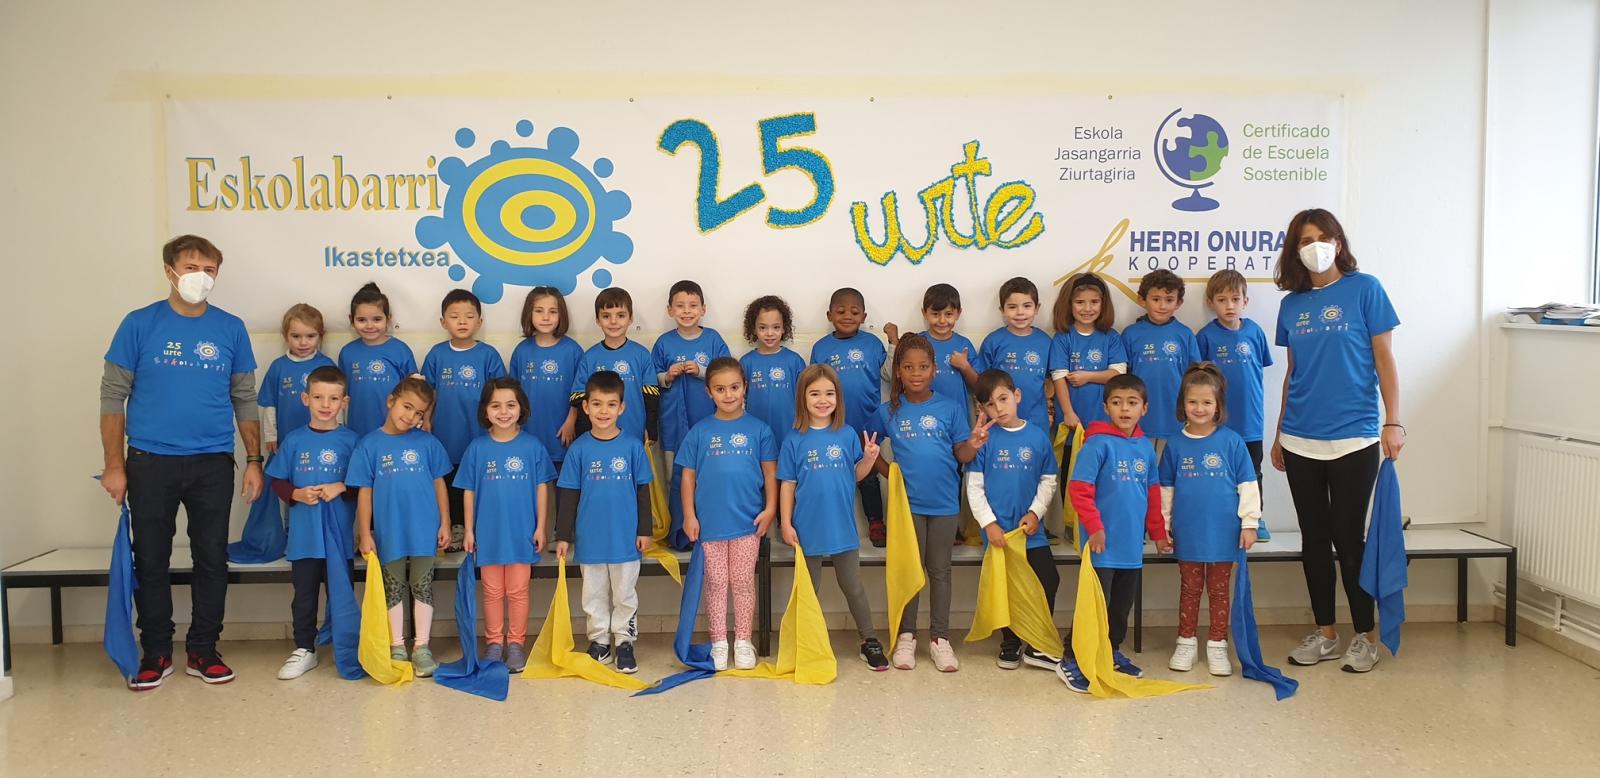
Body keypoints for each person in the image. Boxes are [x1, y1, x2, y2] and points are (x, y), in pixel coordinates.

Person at [101, 234, 262, 689]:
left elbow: (244, 398)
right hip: (150, 461)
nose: (201, 277)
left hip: (213, 462)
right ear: (169, 271)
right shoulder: (139, 324)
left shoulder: (230, 328)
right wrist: (114, 465)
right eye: (192, 268)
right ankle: (155, 650)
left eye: (210, 270)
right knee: (150, 558)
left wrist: (254, 459)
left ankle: (203, 650)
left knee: (211, 557)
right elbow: (112, 397)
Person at [1271, 208, 1404, 674]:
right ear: (1295, 250)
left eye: (1322, 237)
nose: (1315, 246)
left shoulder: (1366, 289)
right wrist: (1279, 432)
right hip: (1299, 437)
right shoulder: (1292, 305)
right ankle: (1325, 633)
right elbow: (1293, 373)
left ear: (1339, 242)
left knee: (1349, 540)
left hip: (1354, 436)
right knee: (1313, 539)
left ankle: (1366, 635)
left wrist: (1394, 421)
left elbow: (1384, 359)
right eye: (1305, 240)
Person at [867, 334, 983, 673]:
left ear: (934, 370)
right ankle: (907, 636)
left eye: (923, 367)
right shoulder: (888, 411)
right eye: (908, 367)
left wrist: (974, 444)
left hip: (945, 504)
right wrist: (891, 474)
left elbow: (962, 454)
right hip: (907, 508)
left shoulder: (950, 408)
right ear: (898, 372)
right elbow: (868, 447)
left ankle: (940, 638)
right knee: (910, 569)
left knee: (940, 570)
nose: (916, 373)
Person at [1056, 374, 1173, 693]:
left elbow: (1152, 494)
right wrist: (1094, 529)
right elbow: (1079, 491)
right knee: (1094, 604)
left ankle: (1110, 650)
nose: (1124, 409)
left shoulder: (1145, 448)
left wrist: (1158, 533)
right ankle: (1072, 658)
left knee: (1120, 607)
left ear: (1144, 408)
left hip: (1131, 547)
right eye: (1117, 402)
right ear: (1106, 407)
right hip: (1101, 545)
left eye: (1132, 403)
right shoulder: (1096, 444)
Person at [778, 364, 889, 670]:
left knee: (852, 585)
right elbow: (787, 484)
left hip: (842, 526)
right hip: (807, 526)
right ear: (802, 398)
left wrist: (869, 459)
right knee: (808, 589)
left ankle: (869, 639)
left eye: (829, 393)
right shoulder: (793, 439)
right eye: (815, 393)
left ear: (838, 397)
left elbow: (855, 475)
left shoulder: (847, 434)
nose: (822, 400)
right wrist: (786, 523)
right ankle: (806, 641)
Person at [348, 377, 452, 678]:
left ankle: (422, 647)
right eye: (407, 407)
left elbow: (439, 484)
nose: (411, 416)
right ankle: (396, 645)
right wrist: (364, 533)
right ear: (391, 401)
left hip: (424, 530)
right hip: (389, 530)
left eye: (419, 413)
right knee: (393, 586)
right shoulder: (369, 445)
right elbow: (364, 492)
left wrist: (445, 522)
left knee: (422, 585)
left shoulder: (428, 443)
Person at [1160, 364, 1260, 676]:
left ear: (1218, 406)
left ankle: (1217, 645)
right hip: (1188, 532)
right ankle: (1186, 642)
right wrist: (1163, 526)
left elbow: (1248, 485)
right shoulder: (1175, 444)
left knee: (1219, 591)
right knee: (1190, 588)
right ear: (1182, 404)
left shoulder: (1232, 441)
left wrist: (1250, 524)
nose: (1199, 408)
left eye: (1206, 402)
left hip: (1224, 534)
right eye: (1193, 402)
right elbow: (1166, 489)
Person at [679, 357, 778, 671]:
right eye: (720, 389)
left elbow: (771, 474)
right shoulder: (699, 432)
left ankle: (743, 641)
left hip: (748, 524)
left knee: (743, 581)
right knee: (717, 583)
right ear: (709, 392)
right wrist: (689, 516)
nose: (728, 394)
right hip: (710, 525)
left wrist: (770, 509)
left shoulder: (760, 430)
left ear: (745, 387)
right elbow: (688, 477)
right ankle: (719, 642)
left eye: (734, 387)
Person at [554, 371, 655, 674]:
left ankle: (624, 642)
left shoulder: (633, 447)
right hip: (591, 539)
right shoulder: (579, 449)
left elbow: (643, 492)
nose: (603, 411)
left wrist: (645, 530)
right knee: (593, 594)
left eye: (611, 405)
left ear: (622, 408)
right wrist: (563, 536)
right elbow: (569, 495)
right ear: (585, 407)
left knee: (625, 594)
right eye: (596, 404)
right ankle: (599, 641)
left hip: (626, 538)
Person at [265, 365, 359, 680]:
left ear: (344, 402)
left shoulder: (353, 441)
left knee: (341, 595)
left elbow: (364, 485)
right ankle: (305, 648)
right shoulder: (294, 440)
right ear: (305, 399)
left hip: (340, 540)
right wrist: (296, 494)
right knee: (304, 596)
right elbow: (278, 481)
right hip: (304, 538)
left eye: (333, 398)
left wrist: (341, 487)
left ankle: (346, 647)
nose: (325, 404)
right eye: (318, 397)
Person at [457, 377, 556, 673]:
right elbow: (468, 491)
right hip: (488, 534)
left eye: (510, 405)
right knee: (491, 591)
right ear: (485, 410)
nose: (503, 412)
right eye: (495, 406)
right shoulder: (476, 448)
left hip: (521, 533)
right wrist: (469, 530)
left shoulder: (533, 446)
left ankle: (515, 643)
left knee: (518, 590)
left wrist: (541, 527)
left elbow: (542, 488)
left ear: (521, 408)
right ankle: (494, 643)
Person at [966, 369, 1060, 671]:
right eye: (990, 405)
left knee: (1048, 579)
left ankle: (1036, 643)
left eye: (1003, 399)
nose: (999, 408)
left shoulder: (1037, 436)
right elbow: (974, 487)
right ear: (982, 409)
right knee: (1005, 587)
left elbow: (1048, 480)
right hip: (999, 534)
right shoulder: (984, 440)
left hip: (1030, 531)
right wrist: (989, 524)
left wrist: (1035, 513)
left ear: (1016, 396)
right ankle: (1010, 642)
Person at [421, 288, 507, 550]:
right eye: (454, 316)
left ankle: (482, 528)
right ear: (443, 322)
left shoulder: (488, 355)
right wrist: (426, 419)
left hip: (480, 434)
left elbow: (500, 393)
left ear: (479, 322)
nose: (462, 322)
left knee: (480, 481)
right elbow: (428, 393)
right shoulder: (436, 354)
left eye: (469, 316)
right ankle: (455, 528)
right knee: (450, 481)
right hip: (446, 434)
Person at [1197, 269, 1274, 541]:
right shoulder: (1205, 337)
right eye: (1221, 300)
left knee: (1252, 471)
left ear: (1245, 301)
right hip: (1219, 422)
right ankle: (1225, 520)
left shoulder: (1255, 332)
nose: (1229, 306)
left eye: (1235, 299)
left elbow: (1261, 368)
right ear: (1211, 303)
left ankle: (1255, 518)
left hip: (1251, 420)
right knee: (1220, 472)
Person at [653, 280, 731, 550]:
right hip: (673, 425)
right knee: (674, 478)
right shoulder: (663, 343)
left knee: (708, 476)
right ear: (670, 310)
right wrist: (667, 376)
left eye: (693, 306)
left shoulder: (713, 339)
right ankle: (680, 533)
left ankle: (710, 530)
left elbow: (727, 373)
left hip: (709, 423)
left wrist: (702, 371)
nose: (687, 311)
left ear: (703, 309)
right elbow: (651, 379)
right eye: (680, 306)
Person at [809, 287, 889, 546]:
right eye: (841, 311)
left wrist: (894, 342)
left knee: (868, 475)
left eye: (854, 312)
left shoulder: (873, 344)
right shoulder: (821, 347)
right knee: (831, 475)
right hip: (831, 426)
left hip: (866, 424)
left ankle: (876, 522)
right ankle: (827, 524)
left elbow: (890, 374)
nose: (847, 316)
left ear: (864, 317)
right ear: (829, 315)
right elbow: (813, 385)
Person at [508, 286, 583, 525]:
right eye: (539, 311)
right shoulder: (522, 351)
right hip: (530, 431)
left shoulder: (573, 350)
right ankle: (533, 529)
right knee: (531, 482)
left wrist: (571, 421)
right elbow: (512, 395)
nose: (546, 317)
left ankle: (562, 532)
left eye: (553, 311)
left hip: (562, 431)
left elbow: (580, 392)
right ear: (529, 314)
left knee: (564, 484)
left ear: (562, 315)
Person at [1122, 270, 1201, 459]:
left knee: (1169, 470)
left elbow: (1195, 378)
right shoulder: (1130, 334)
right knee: (1139, 469)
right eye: (1156, 299)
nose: (1162, 305)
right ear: (1142, 300)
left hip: (1174, 417)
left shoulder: (1185, 335)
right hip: (1138, 419)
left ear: (1178, 303)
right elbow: (1123, 379)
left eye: (1169, 299)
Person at [569, 287, 660, 446]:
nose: (613, 321)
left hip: (634, 433)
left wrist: (650, 428)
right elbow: (579, 399)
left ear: (630, 318)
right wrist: (585, 435)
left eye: (621, 315)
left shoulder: (642, 355)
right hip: (598, 437)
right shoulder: (589, 357)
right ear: (598, 320)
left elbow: (651, 398)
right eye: (606, 316)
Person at [1049, 273, 1127, 435]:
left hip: (1104, 418)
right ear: (1069, 304)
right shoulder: (1063, 337)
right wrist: (1068, 413)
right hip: (1072, 419)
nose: (1087, 309)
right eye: (1079, 302)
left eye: (1094, 302)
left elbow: (1118, 374)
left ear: (1103, 304)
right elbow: (1059, 378)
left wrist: (1088, 376)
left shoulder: (1111, 337)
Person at [883, 283, 980, 413]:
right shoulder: (915, 343)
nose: (942, 320)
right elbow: (894, 376)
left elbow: (979, 387)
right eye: (935, 314)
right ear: (924, 313)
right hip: (919, 416)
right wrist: (894, 342)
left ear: (958, 313)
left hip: (957, 418)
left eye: (948, 314)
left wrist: (965, 367)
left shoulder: (964, 344)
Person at [338, 283, 418, 436]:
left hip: (395, 430)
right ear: (351, 320)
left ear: (388, 319)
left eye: (377, 319)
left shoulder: (400, 350)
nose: (369, 326)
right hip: (358, 431)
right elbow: (340, 394)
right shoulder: (347, 353)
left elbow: (414, 392)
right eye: (362, 320)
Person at [976, 277, 1055, 432]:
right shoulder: (993, 341)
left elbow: (1051, 382)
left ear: (1037, 308)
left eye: (1027, 306)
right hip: (999, 422)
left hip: (1036, 422)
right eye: (1012, 307)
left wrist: (1050, 410)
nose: (1020, 312)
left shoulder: (1046, 342)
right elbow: (982, 382)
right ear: (1002, 310)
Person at [259, 304, 336, 454]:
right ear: (285, 336)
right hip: (285, 439)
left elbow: (337, 402)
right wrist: (270, 436)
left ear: (321, 336)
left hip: (322, 439)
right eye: (296, 336)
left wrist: (337, 430)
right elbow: (269, 405)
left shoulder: (327, 365)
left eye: (310, 336)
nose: (303, 343)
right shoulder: (278, 367)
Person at [740, 295, 807, 446]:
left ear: (784, 328)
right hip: (755, 435)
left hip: (789, 432)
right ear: (754, 329)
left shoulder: (795, 361)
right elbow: (740, 399)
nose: (769, 333)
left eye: (776, 327)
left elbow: (805, 398)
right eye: (763, 327)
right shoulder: (746, 362)